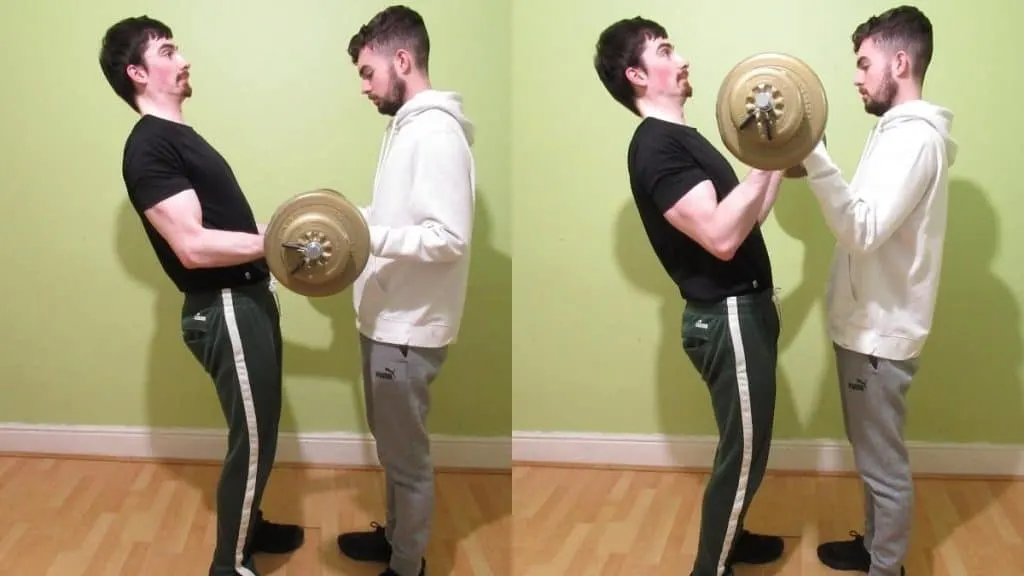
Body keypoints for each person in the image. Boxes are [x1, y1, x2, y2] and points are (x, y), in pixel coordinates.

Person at [98, 15, 304, 576]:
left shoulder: (181, 138)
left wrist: (284, 231)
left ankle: (251, 527)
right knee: (254, 442)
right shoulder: (148, 147)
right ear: (138, 72)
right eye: (168, 51)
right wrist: (276, 239)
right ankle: (229, 566)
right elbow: (191, 246)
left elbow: (227, 227)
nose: (183, 58)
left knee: (262, 431)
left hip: (248, 300)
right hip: (225, 308)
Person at [594, 16, 787, 576]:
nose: (681, 59)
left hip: (744, 309)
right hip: (726, 315)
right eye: (664, 49)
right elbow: (722, 239)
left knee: (745, 446)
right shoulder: (656, 147)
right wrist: (760, 161)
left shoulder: (686, 139)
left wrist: (776, 149)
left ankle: (734, 536)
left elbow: (747, 219)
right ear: (637, 73)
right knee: (746, 455)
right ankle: (712, 567)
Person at [794, 6, 957, 576]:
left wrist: (811, 148)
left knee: (883, 467)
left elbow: (859, 229)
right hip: (865, 328)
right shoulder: (893, 134)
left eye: (865, 64)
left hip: (878, 337)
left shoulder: (913, 141)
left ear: (901, 60)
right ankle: (872, 550)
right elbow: (864, 217)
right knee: (871, 460)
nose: (858, 76)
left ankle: (887, 568)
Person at [334, 5, 476, 576]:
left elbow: (448, 238)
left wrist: (367, 233)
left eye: (368, 73)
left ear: (401, 60)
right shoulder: (408, 127)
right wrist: (341, 220)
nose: (365, 88)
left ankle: (408, 564)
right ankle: (396, 538)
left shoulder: (436, 133)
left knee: (407, 459)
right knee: (390, 448)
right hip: (385, 321)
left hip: (408, 331)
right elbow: (398, 218)